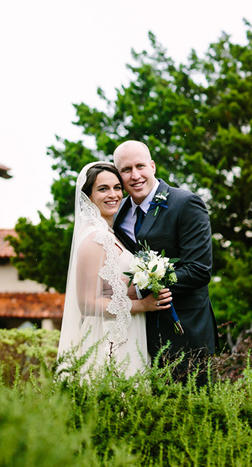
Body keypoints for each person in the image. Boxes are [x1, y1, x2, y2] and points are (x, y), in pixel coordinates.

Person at [112, 140, 218, 383]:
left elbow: (199, 270)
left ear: (153, 166)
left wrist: (139, 287)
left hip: (185, 329)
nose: (135, 175)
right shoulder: (118, 212)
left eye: (140, 166)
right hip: (137, 331)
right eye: (126, 170)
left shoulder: (185, 203)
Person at [57, 161, 172, 377]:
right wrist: (143, 305)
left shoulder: (109, 233)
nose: (113, 194)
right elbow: (88, 304)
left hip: (126, 333)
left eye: (117, 187)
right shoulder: (95, 238)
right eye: (103, 189)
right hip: (108, 340)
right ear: (87, 196)